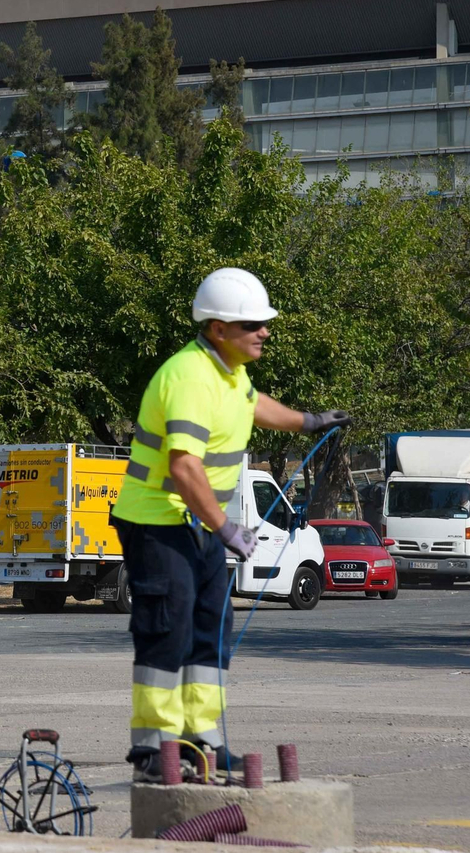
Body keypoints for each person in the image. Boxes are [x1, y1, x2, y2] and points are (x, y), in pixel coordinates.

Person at [110, 267, 351, 783]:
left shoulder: (230, 372)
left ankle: (206, 744)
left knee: (211, 630)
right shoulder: (189, 377)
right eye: (252, 324)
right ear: (218, 328)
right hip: (156, 521)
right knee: (167, 631)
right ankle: (153, 754)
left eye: (264, 322)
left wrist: (308, 421)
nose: (264, 331)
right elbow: (183, 467)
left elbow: (253, 405)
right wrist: (226, 529)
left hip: (194, 523)